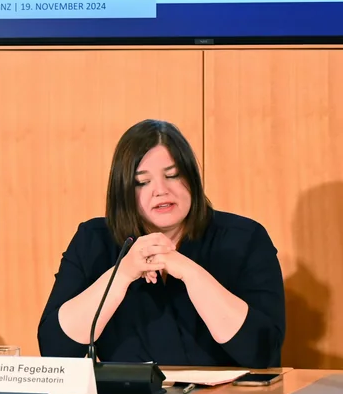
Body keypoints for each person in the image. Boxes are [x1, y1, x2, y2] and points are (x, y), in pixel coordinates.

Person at [38, 119, 284, 367]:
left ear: (192, 178)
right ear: (123, 190)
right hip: (128, 393)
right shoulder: (94, 240)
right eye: (142, 182)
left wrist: (190, 272)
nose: (161, 190)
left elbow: (263, 353)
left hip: (229, 393)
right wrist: (122, 274)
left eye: (173, 175)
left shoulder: (243, 238)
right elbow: (55, 351)